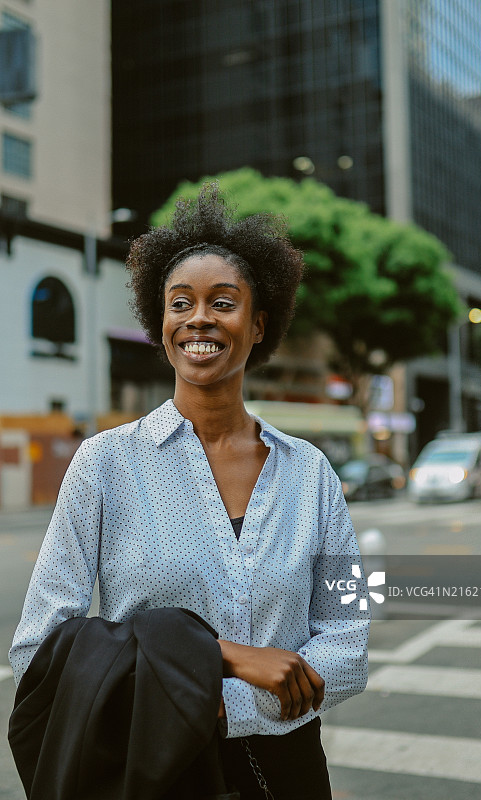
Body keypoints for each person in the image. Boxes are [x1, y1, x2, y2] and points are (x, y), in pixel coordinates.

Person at [9, 184, 370, 799]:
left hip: (289, 773)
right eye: (181, 304)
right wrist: (223, 662)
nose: (199, 318)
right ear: (162, 325)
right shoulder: (105, 464)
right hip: (155, 769)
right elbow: (40, 645)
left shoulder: (312, 473)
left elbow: (349, 637)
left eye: (222, 302)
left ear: (258, 325)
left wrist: (226, 705)